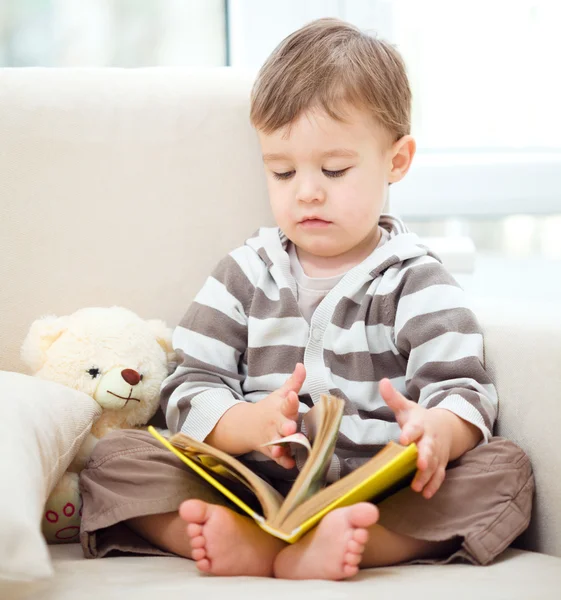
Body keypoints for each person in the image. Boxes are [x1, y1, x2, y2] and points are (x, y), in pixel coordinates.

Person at [79, 18, 533, 580]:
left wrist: (437, 431)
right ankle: (250, 540)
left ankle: (350, 544)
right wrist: (248, 424)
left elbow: (463, 387)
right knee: (114, 458)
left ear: (396, 160)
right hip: (251, 483)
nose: (307, 191)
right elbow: (189, 380)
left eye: (335, 169)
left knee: (505, 469)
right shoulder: (244, 272)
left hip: (377, 488)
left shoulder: (415, 280)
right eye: (283, 170)